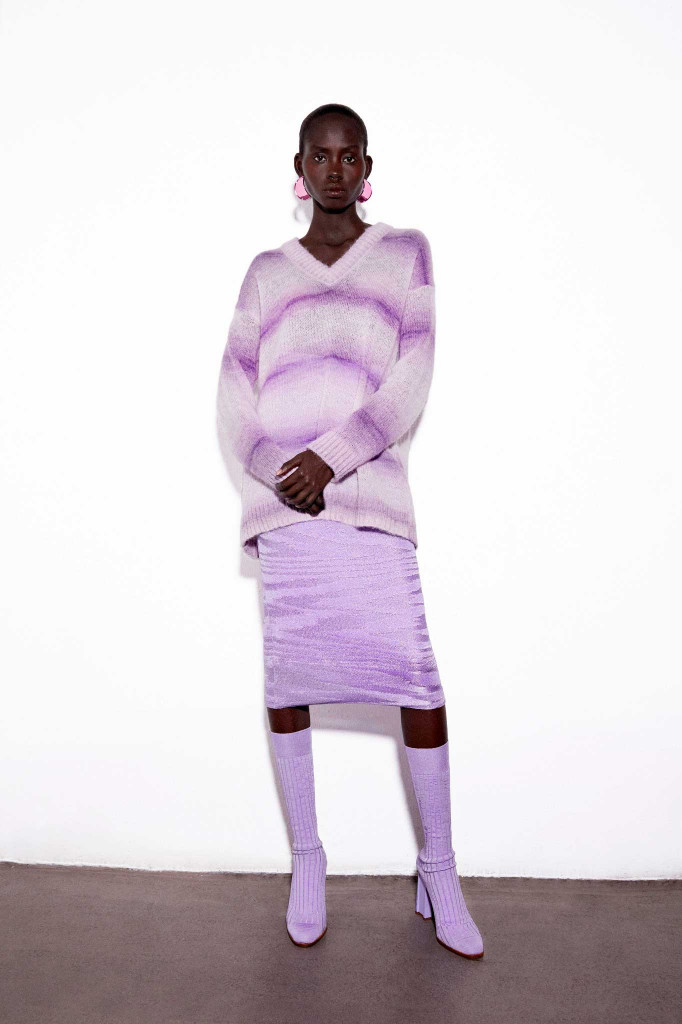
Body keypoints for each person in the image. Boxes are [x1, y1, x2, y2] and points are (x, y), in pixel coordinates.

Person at [216, 103, 484, 959]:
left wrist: (329, 458)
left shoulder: (406, 253)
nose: (334, 169)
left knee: (416, 682)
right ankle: (307, 859)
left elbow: (413, 377)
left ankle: (438, 868)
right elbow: (233, 392)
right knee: (289, 678)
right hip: (287, 508)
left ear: (367, 167)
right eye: (319, 156)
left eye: (349, 155)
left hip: (368, 498)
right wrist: (278, 470)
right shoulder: (266, 272)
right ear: (299, 168)